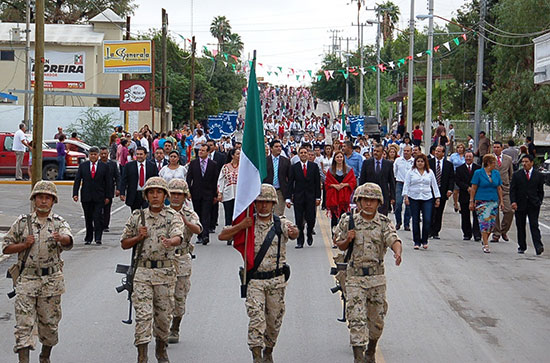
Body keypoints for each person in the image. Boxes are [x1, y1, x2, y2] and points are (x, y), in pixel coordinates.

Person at [219, 184, 299, 363]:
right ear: (254, 203)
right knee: (256, 318)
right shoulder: (248, 223)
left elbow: (294, 233)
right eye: (260, 202)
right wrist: (240, 226)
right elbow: (222, 236)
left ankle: (268, 351)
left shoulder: (280, 223)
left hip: (276, 281)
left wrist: (295, 232)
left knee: (274, 321)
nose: (263, 206)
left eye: (267, 202)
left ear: (273, 204)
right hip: (254, 281)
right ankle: (256, 356)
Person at [3, 181, 73, 363]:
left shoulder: (59, 223)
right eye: (40, 197)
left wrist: (61, 238)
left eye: (47, 198)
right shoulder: (22, 223)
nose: (43, 201)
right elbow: (6, 247)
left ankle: (45, 356)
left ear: (53, 201)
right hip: (27, 279)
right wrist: (23, 245)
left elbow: (68, 239)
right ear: (34, 200)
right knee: (23, 326)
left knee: (50, 326)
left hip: (51, 281)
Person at [333, 183, 402, 362]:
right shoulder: (348, 220)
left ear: (378, 202)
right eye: (365, 200)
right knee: (356, 319)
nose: (369, 204)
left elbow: (393, 238)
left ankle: (371, 350)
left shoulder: (384, 222)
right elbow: (338, 243)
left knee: (376, 322)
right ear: (359, 201)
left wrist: (397, 251)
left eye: (372, 200)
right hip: (354, 277)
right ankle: (358, 357)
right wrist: (347, 239)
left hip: (376, 278)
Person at [120, 177, 184, 363]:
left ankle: (161, 350)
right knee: (143, 316)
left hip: (165, 273)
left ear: (165, 195)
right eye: (151, 192)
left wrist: (170, 242)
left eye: (159, 192)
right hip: (142, 273)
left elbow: (178, 237)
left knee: (163, 317)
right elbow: (124, 243)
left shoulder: (173, 216)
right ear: (146, 195)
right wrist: (138, 237)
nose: (155, 196)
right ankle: (142, 355)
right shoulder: (137, 217)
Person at [166, 179, 202, 344]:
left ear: (185, 196)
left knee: (179, 297)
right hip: (164, 260)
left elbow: (198, 229)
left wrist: (186, 222)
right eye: (173, 194)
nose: (175, 197)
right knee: (163, 297)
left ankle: (175, 327)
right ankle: (162, 327)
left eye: (179, 194)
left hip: (182, 259)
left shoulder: (189, 213)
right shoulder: (162, 212)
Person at [72, 146, 111, 245]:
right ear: (88, 155)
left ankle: (98, 237)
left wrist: (108, 196)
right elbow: (77, 180)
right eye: (91, 154)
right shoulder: (83, 166)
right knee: (88, 217)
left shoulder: (104, 166)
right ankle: (88, 237)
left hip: (99, 196)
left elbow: (108, 183)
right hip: (86, 196)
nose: (93, 156)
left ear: (98, 155)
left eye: (95, 154)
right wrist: (75, 194)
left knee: (98, 217)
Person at [286, 145, 321, 248]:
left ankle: (309, 233)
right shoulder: (294, 167)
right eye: (301, 153)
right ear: (298, 155)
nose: (303, 155)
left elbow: (317, 183)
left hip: (311, 197)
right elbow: (290, 183)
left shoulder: (314, 167)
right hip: (298, 197)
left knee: (311, 219)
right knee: (299, 219)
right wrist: (288, 197)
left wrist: (318, 197)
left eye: (305, 153)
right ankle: (300, 240)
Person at [403, 154, 441, 249]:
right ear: (415, 162)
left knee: (427, 219)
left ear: (425, 163)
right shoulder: (411, 172)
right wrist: (406, 196)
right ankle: (416, 241)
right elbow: (406, 184)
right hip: (414, 197)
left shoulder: (430, 172)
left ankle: (424, 240)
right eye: (418, 161)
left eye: (422, 161)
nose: (420, 163)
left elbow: (434, 185)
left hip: (427, 197)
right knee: (415, 220)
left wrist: (437, 198)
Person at [510, 154, 545, 255]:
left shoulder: (538, 175)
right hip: (520, 204)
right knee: (520, 226)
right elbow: (513, 190)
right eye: (523, 162)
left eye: (526, 162)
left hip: (533, 204)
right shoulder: (517, 175)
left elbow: (540, 191)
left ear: (531, 163)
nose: (524, 164)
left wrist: (539, 201)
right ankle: (522, 246)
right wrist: (513, 201)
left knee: (534, 225)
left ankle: (538, 246)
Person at [469, 154, 503, 253]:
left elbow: (499, 188)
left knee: (491, 224)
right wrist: (472, 200)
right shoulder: (478, 173)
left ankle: (485, 239)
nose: (495, 165)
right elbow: (474, 188)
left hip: (493, 201)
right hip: (482, 201)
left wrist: (501, 201)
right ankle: (486, 243)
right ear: (488, 163)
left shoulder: (496, 173)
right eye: (494, 163)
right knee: (484, 222)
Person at [186, 144, 218, 245]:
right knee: (198, 214)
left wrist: (215, 195)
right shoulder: (193, 163)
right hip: (196, 192)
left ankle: (205, 235)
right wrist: (189, 191)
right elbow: (189, 178)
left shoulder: (213, 164)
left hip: (208, 193)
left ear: (208, 152)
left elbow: (215, 180)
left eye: (203, 150)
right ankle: (199, 234)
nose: (200, 152)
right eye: (200, 150)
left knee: (206, 214)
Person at [325, 151, 356, 235]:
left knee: (344, 217)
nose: (339, 159)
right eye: (337, 157)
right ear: (334, 158)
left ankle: (343, 236)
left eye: (341, 157)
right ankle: (334, 236)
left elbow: (353, 182)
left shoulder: (349, 169)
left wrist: (344, 184)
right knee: (334, 218)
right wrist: (334, 185)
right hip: (334, 197)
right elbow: (327, 183)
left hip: (344, 198)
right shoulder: (331, 170)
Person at [359, 144, 396, 216]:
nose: (375, 153)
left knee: (382, 216)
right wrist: (361, 194)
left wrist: (392, 197)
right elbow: (362, 180)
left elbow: (391, 181)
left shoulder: (388, 164)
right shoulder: (367, 163)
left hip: (383, 194)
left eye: (378, 151)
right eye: (374, 151)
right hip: (369, 194)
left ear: (382, 153)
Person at [119, 147, 158, 211]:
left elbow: (155, 179)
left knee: (148, 212)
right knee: (135, 214)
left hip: (147, 193)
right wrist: (122, 193)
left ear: (145, 155)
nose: (139, 156)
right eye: (137, 154)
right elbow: (124, 180)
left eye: (141, 154)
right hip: (134, 194)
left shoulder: (152, 166)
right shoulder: (129, 166)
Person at [429, 146, 455, 239]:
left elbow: (451, 178)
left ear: (443, 153)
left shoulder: (448, 165)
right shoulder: (429, 162)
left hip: (442, 190)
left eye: (439, 151)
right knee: (430, 211)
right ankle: (429, 230)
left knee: (439, 211)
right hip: (430, 191)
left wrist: (450, 189)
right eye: (436, 151)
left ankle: (436, 231)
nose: (437, 153)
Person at [455, 151, 482, 241]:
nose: (468, 158)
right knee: (465, 215)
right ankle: (467, 233)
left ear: (473, 158)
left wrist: (474, 188)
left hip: (477, 194)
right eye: (467, 157)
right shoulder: (460, 169)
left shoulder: (478, 168)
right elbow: (458, 181)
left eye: (470, 157)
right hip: (464, 194)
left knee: (476, 216)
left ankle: (477, 234)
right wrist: (467, 188)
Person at [491, 141, 514, 243]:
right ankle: (496, 233)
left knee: (509, 211)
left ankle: (503, 230)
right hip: (492, 188)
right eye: (494, 147)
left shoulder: (508, 159)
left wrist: (510, 184)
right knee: (494, 212)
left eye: (497, 147)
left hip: (505, 188)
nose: (496, 149)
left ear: (501, 148)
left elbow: (511, 173)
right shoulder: (489, 158)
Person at [263, 139, 291, 217]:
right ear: (271, 149)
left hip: (280, 192)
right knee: (267, 215)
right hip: (267, 191)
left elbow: (290, 178)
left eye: (280, 146)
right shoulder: (265, 161)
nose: (279, 148)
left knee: (278, 216)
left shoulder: (286, 161)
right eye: (276, 147)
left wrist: (288, 197)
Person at [218, 148, 240, 242]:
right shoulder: (225, 167)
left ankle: (237, 234)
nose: (239, 156)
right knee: (228, 215)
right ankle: (228, 235)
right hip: (228, 194)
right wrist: (220, 192)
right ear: (232, 155)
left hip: (239, 195)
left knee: (238, 216)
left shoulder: (243, 167)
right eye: (238, 154)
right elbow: (221, 180)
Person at [207, 139, 227, 234]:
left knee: (214, 204)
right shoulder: (204, 156)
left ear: (215, 146)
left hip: (217, 183)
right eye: (208, 145)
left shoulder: (221, 157)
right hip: (206, 184)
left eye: (211, 145)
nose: (209, 147)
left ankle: (213, 223)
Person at [393, 145, 414, 231]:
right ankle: (398, 222)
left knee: (409, 205)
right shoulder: (398, 160)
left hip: (410, 185)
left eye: (408, 151)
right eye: (404, 151)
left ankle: (406, 223)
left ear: (411, 152)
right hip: (400, 183)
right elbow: (394, 172)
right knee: (398, 203)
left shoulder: (414, 161)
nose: (406, 152)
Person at [99, 147, 120, 232]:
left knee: (107, 209)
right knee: (98, 209)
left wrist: (118, 188)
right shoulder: (97, 164)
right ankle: (97, 224)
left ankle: (105, 225)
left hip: (109, 189)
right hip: (98, 190)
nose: (103, 155)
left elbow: (117, 177)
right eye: (102, 154)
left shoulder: (112, 164)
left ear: (108, 154)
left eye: (105, 154)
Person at [450, 143, 466, 212]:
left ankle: (461, 205)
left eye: (461, 147)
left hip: (463, 174)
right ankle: (456, 203)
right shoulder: (453, 156)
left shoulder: (465, 156)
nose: (460, 149)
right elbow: (450, 165)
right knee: (456, 190)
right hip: (455, 173)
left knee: (462, 190)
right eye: (458, 147)